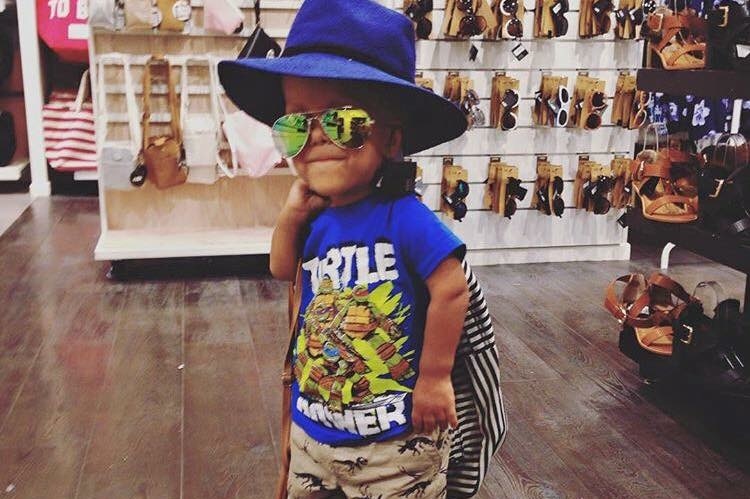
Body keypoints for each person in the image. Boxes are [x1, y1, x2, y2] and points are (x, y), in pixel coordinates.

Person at [218, 0, 482, 496]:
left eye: (343, 122)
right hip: (312, 431)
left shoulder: (404, 218)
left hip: (394, 445)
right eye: (296, 124)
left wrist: (434, 377)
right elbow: (281, 268)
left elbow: (452, 289)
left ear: (392, 140)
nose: (316, 136)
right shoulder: (316, 215)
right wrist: (293, 214)